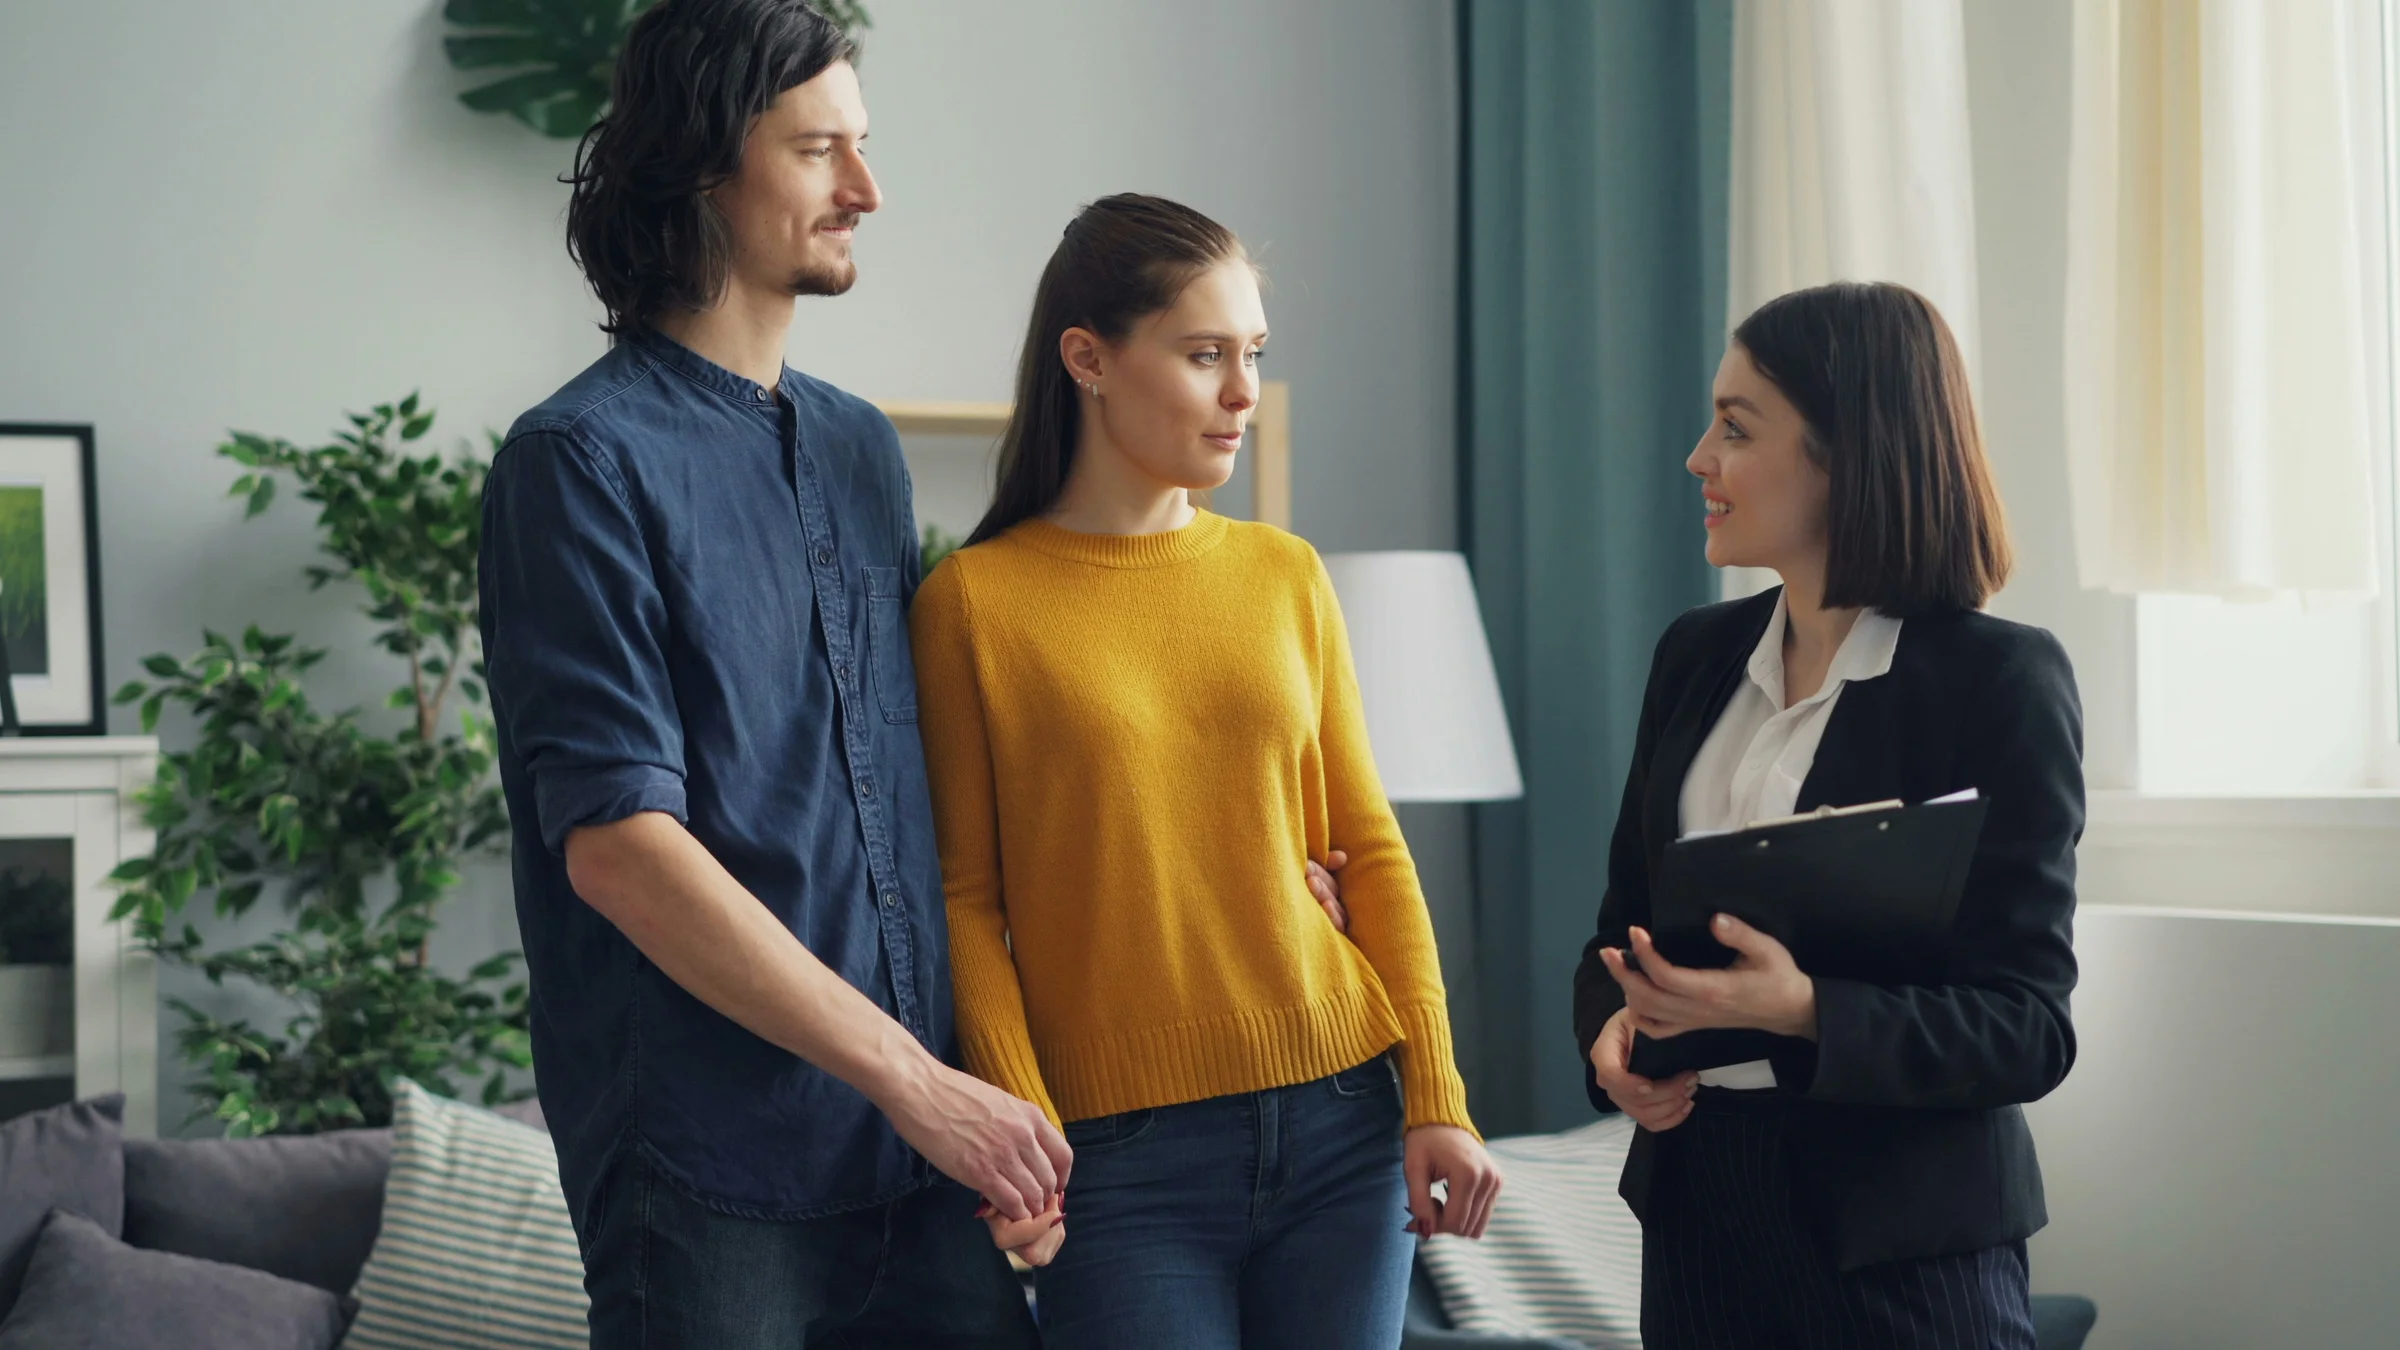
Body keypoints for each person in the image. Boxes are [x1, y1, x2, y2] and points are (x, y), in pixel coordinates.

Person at [908, 193, 1502, 1349]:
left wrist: (1438, 1095)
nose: (1244, 393)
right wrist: (1024, 1134)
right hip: (1117, 1163)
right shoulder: (973, 605)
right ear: (1088, 358)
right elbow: (964, 902)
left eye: (1255, 357)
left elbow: (1369, 845)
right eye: (1205, 355)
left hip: (1344, 1118)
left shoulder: (1285, 574)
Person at [1572, 282, 2081, 1349]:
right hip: (1699, 1211)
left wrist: (1803, 1009)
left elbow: (2028, 1030)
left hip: (1902, 1240)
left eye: (1736, 426)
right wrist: (1613, 1038)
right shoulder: (1694, 659)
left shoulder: (1999, 682)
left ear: (1846, 454)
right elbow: (1619, 932)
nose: (1698, 458)